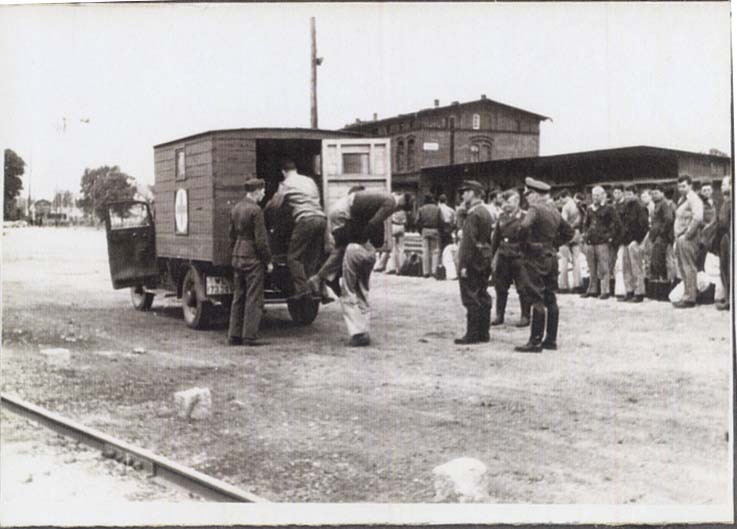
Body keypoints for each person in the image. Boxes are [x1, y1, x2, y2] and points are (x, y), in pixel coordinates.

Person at [334, 190, 413, 346]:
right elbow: (378, 238)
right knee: (363, 290)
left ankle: (357, 333)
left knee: (348, 290)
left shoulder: (372, 207)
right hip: (370, 252)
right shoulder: (382, 212)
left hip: (355, 248)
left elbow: (367, 226)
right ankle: (364, 329)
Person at [514, 177, 568, 353]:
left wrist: (525, 246)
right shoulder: (554, 211)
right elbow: (569, 232)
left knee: (536, 298)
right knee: (550, 297)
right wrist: (553, 245)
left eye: (528, 194)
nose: (527, 197)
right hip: (551, 257)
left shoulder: (534, 209)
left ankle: (535, 341)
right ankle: (550, 339)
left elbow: (523, 227)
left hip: (536, 258)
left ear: (536, 195)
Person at [268, 159, 327, 300]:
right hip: (321, 219)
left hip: (306, 220)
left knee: (293, 258)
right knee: (311, 258)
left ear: (283, 172)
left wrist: (266, 213)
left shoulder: (286, 184)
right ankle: (315, 289)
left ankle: (303, 290)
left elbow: (275, 206)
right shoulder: (309, 181)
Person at [228, 179, 273, 346]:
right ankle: (249, 336)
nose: (263, 194)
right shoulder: (256, 210)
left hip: (238, 255)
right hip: (252, 258)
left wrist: (236, 252)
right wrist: (268, 261)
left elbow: (231, 235)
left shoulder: (235, 208)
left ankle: (234, 335)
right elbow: (261, 240)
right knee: (253, 297)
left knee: (238, 296)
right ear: (255, 191)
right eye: (262, 191)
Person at [454, 180, 493, 344]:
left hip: (471, 260)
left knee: (470, 296)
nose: (463, 195)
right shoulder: (485, 212)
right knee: (483, 294)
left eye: (465, 191)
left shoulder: (473, 214)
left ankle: (472, 333)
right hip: (484, 258)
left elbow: (468, 242)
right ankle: (484, 332)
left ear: (473, 193)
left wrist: (462, 265)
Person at [490, 188, 530, 327]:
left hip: (519, 256)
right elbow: (496, 238)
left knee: (522, 287)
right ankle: (499, 315)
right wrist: (492, 256)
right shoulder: (501, 217)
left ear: (518, 201)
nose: (506, 204)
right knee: (500, 287)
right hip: (503, 256)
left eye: (509, 201)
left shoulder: (525, 217)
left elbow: (528, 239)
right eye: (505, 201)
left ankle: (525, 316)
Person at [581, 185, 621, 299]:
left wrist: (610, 237)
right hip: (590, 241)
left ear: (603, 195)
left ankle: (605, 290)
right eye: (594, 195)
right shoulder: (589, 209)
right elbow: (585, 224)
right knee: (591, 267)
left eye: (597, 195)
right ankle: (592, 289)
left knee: (604, 267)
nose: (595, 197)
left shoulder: (609, 208)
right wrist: (585, 234)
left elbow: (617, 224)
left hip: (602, 241)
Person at [672, 174, 704, 308]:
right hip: (680, 237)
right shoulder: (682, 199)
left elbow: (698, 218)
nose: (681, 189)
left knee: (689, 267)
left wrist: (687, 235)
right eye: (679, 186)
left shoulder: (693, 199)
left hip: (688, 238)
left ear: (690, 186)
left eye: (684, 186)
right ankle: (687, 294)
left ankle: (690, 298)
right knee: (683, 268)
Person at [618, 184, 650, 302]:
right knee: (626, 267)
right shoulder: (625, 207)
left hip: (635, 241)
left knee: (636, 267)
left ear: (635, 194)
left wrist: (638, 241)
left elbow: (644, 226)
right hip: (626, 240)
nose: (627, 196)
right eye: (626, 194)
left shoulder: (640, 207)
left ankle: (639, 292)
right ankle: (629, 290)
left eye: (630, 194)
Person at [557, 189, 583, 293]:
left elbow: (563, 222)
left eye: (561, 199)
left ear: (565, 197)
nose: (561, 201)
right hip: (576, 233)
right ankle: (577, 285)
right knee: (576, 260)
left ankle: (564, 286)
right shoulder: (577, 205)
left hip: (566, 235)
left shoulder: (566, 206)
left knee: (564, 259)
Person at [648, 184, 676, 281]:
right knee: (656, 259)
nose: (654, 195)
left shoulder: (664, 204)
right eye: (652, 193)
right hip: (656, 236)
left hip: (662, 237)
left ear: (662, 193)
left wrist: (661, 232)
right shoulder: (657, 204)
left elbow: (668, 219)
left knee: (658, 259)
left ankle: (663, 281)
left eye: (656, 193)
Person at [415, 195, 444, 278]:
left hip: (425, 230)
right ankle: (434, 271)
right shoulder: (437, 209)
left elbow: (417, 221)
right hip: (435, 230)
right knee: (435, 251)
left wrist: (420, 230)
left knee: (425, 251)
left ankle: (426, 272)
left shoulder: (421, 209)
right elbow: (441, 221)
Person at [715, 176, 731, 311]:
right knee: (724, 269)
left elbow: (724, 222)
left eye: (724, 184)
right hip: (724, 236)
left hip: (728, 236)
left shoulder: (730, 202)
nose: (721, 187)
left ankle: (729, 300)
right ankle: (727, 296)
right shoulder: (725, 202)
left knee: (728, 269)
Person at [696, 182, 716, 271]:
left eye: (708, 190)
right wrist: (706, 225)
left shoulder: (714, 202)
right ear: (701, 191)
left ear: (712, 191)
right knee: (702, 260)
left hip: (713, 233)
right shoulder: (699, 203)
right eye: (704, 190)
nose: (706, 192)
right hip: (702, 235)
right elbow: (697, 218)